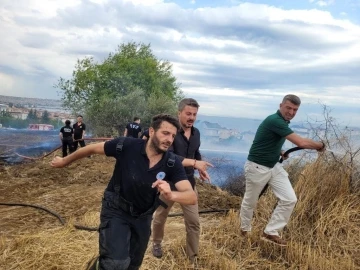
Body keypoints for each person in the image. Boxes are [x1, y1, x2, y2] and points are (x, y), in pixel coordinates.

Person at [51, 114, 197, 270]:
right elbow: (92, 148)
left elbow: (191, 196)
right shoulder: (126, 146)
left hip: (143, 217)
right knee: (115, 264)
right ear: (152, 132)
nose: (169, 139)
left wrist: (172, 194)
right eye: (165, 133)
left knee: (132, 265)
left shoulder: (172, 163)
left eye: (173, 136)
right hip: (116, 209)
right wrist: (64, 161)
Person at [240, 94, 326, 246]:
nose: (291, 112)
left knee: (290, 199)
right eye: (289, 108)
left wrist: (280, 151)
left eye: (295, 110)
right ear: (281, 106)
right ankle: (244, 231)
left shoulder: (282, 123)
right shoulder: (275, 120)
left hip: (274, 166)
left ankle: (270, 232)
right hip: (257, 167)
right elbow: (301, 142)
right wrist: (320, 145)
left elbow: (267, 139)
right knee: (250, 201)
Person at [152, 98, 213, 264]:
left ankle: (192, 257)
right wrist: (194, 163)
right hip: (168, 184)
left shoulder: (196, 133)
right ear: (179, 113)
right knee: (160, 216)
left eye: (194, 114)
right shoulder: (171, 133)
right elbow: (169, 157)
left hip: (188, 185)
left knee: (193, 223)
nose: (191, 117)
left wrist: (200, 167)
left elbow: (195, 152)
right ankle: (156, 243)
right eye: (188, 113)